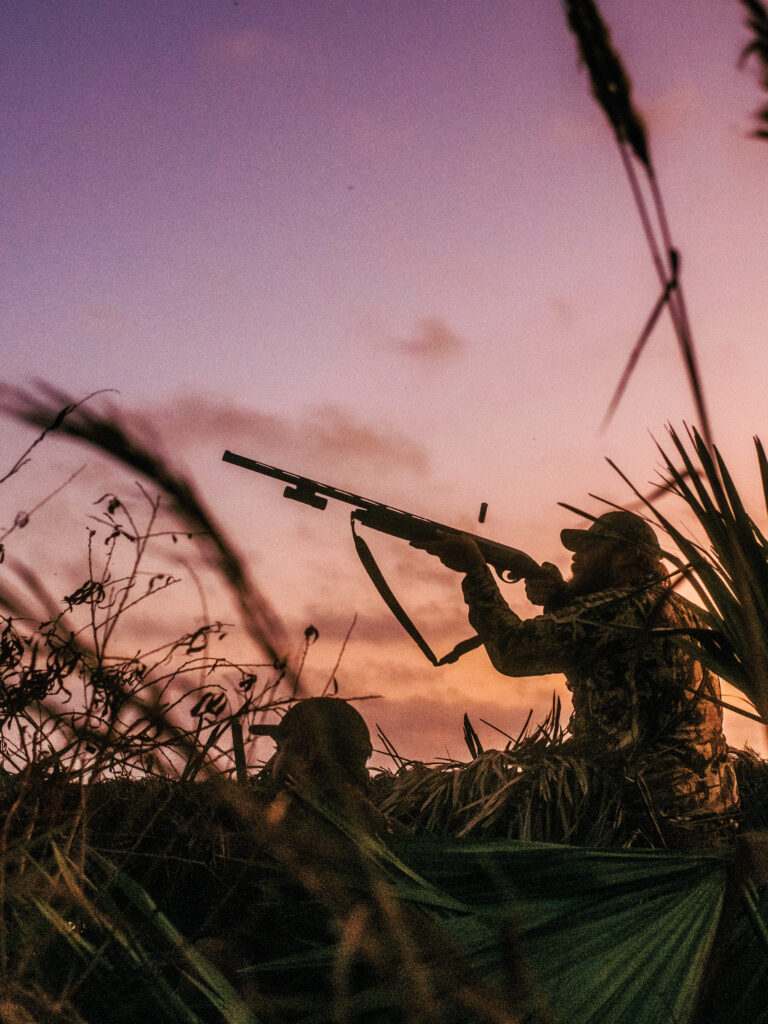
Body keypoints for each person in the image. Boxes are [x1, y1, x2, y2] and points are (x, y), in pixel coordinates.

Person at [416, 510, 739, 847]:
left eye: (590, 547)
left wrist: (476, 571)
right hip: (708, 806)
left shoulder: (623, 607)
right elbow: (600, 656)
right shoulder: (679, 608)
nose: (575, 556)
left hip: (646, 813)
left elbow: (513, 651)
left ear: (628, 556)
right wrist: (560, 599)